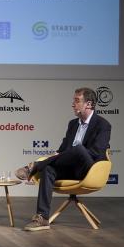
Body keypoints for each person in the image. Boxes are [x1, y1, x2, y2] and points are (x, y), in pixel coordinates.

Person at [16, 87, 111, 231]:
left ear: (89, 104)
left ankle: (34, 167)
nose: (73, 104)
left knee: (79, 149)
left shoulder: (103, 125)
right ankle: (42, 218)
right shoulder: (72, 124)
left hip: (89, 168)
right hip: (69, 166)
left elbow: (96, 152)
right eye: (73, 101)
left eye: (77, 101)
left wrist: (75, 152)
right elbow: (62, 151)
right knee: (48, 169)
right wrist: (57, 155)